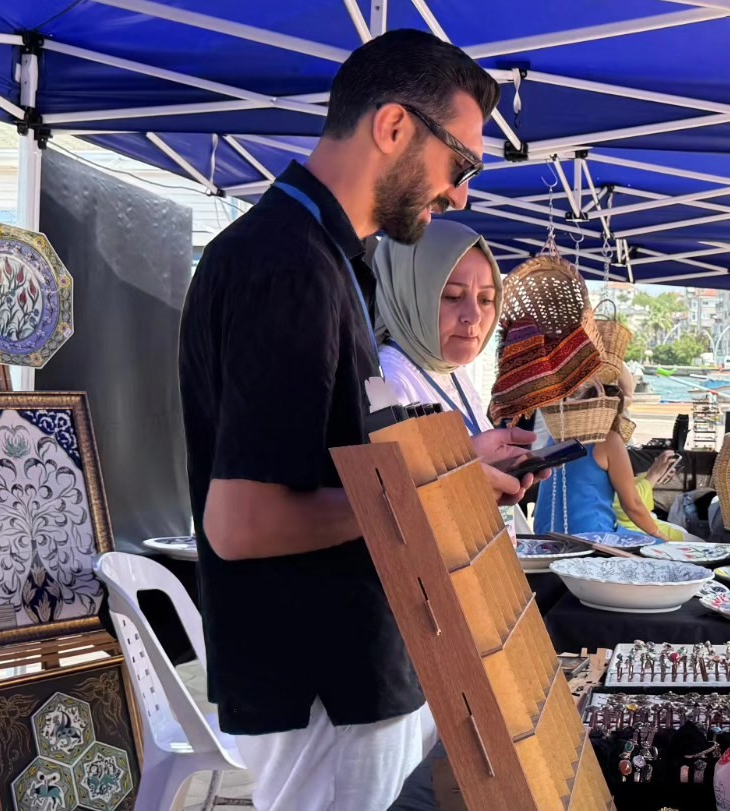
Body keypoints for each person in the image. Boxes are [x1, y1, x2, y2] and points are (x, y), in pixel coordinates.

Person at [179, 31, 528, 811]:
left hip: (346, 672)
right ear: (395, 127)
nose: (461, 194)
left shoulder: (324, 257)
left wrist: (451, 465)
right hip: (321, 683)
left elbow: (332, 460)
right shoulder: (288, 266)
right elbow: (242, 521)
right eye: (462, 163)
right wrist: (436, 491)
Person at [374, 219, 546, 486]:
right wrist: (464, 469)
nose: (474, 316)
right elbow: (391, 502)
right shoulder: (384, 383)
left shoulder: (450, 371)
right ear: (408, 296)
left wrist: (492, 470)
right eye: (453, 296)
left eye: (486, 299)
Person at [533, 385, 673, 540]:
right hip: (592, 536)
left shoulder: (555, 438)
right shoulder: (609, 440)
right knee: (664, 550)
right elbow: (632, 505)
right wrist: (659, 535)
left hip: (544, 533)